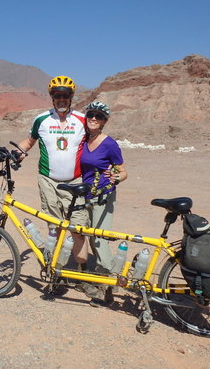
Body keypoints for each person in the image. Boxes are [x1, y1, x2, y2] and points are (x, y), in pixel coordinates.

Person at [18, 75, 89, 268]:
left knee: (78, 229)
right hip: (48, 181)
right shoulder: (41, 120)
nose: (61, 100)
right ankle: (56, 269)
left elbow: (97, 143)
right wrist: (18, 152)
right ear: (52, 97)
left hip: (75, 182)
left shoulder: (83, 120)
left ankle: (82, 273)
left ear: (71, 97)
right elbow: (30, 141)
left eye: (65, 96)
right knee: (55, 228)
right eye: (57, 96)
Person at [80, 101, 128, 306]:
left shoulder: (109, 143)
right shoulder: (83, 140)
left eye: (98, 116)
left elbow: (123, 171)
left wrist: (116, 177)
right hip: (85, 197)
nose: (93, 118)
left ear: (104, 121)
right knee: (90, 238)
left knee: (99, 240)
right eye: (91, 114)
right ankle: (100, 278)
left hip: (103, 196)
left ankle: (109, 284)